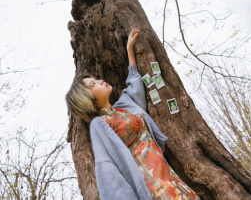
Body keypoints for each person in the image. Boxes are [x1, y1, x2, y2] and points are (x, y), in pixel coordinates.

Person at [66, 28, 200, 200]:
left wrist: (130, 51)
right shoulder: (99, 125)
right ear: (88, 98)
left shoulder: (124, 107)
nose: (100, 80)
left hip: (169, 177)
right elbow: (107, 170)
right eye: (94, 84)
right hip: (152, 188)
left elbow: (134, 86)